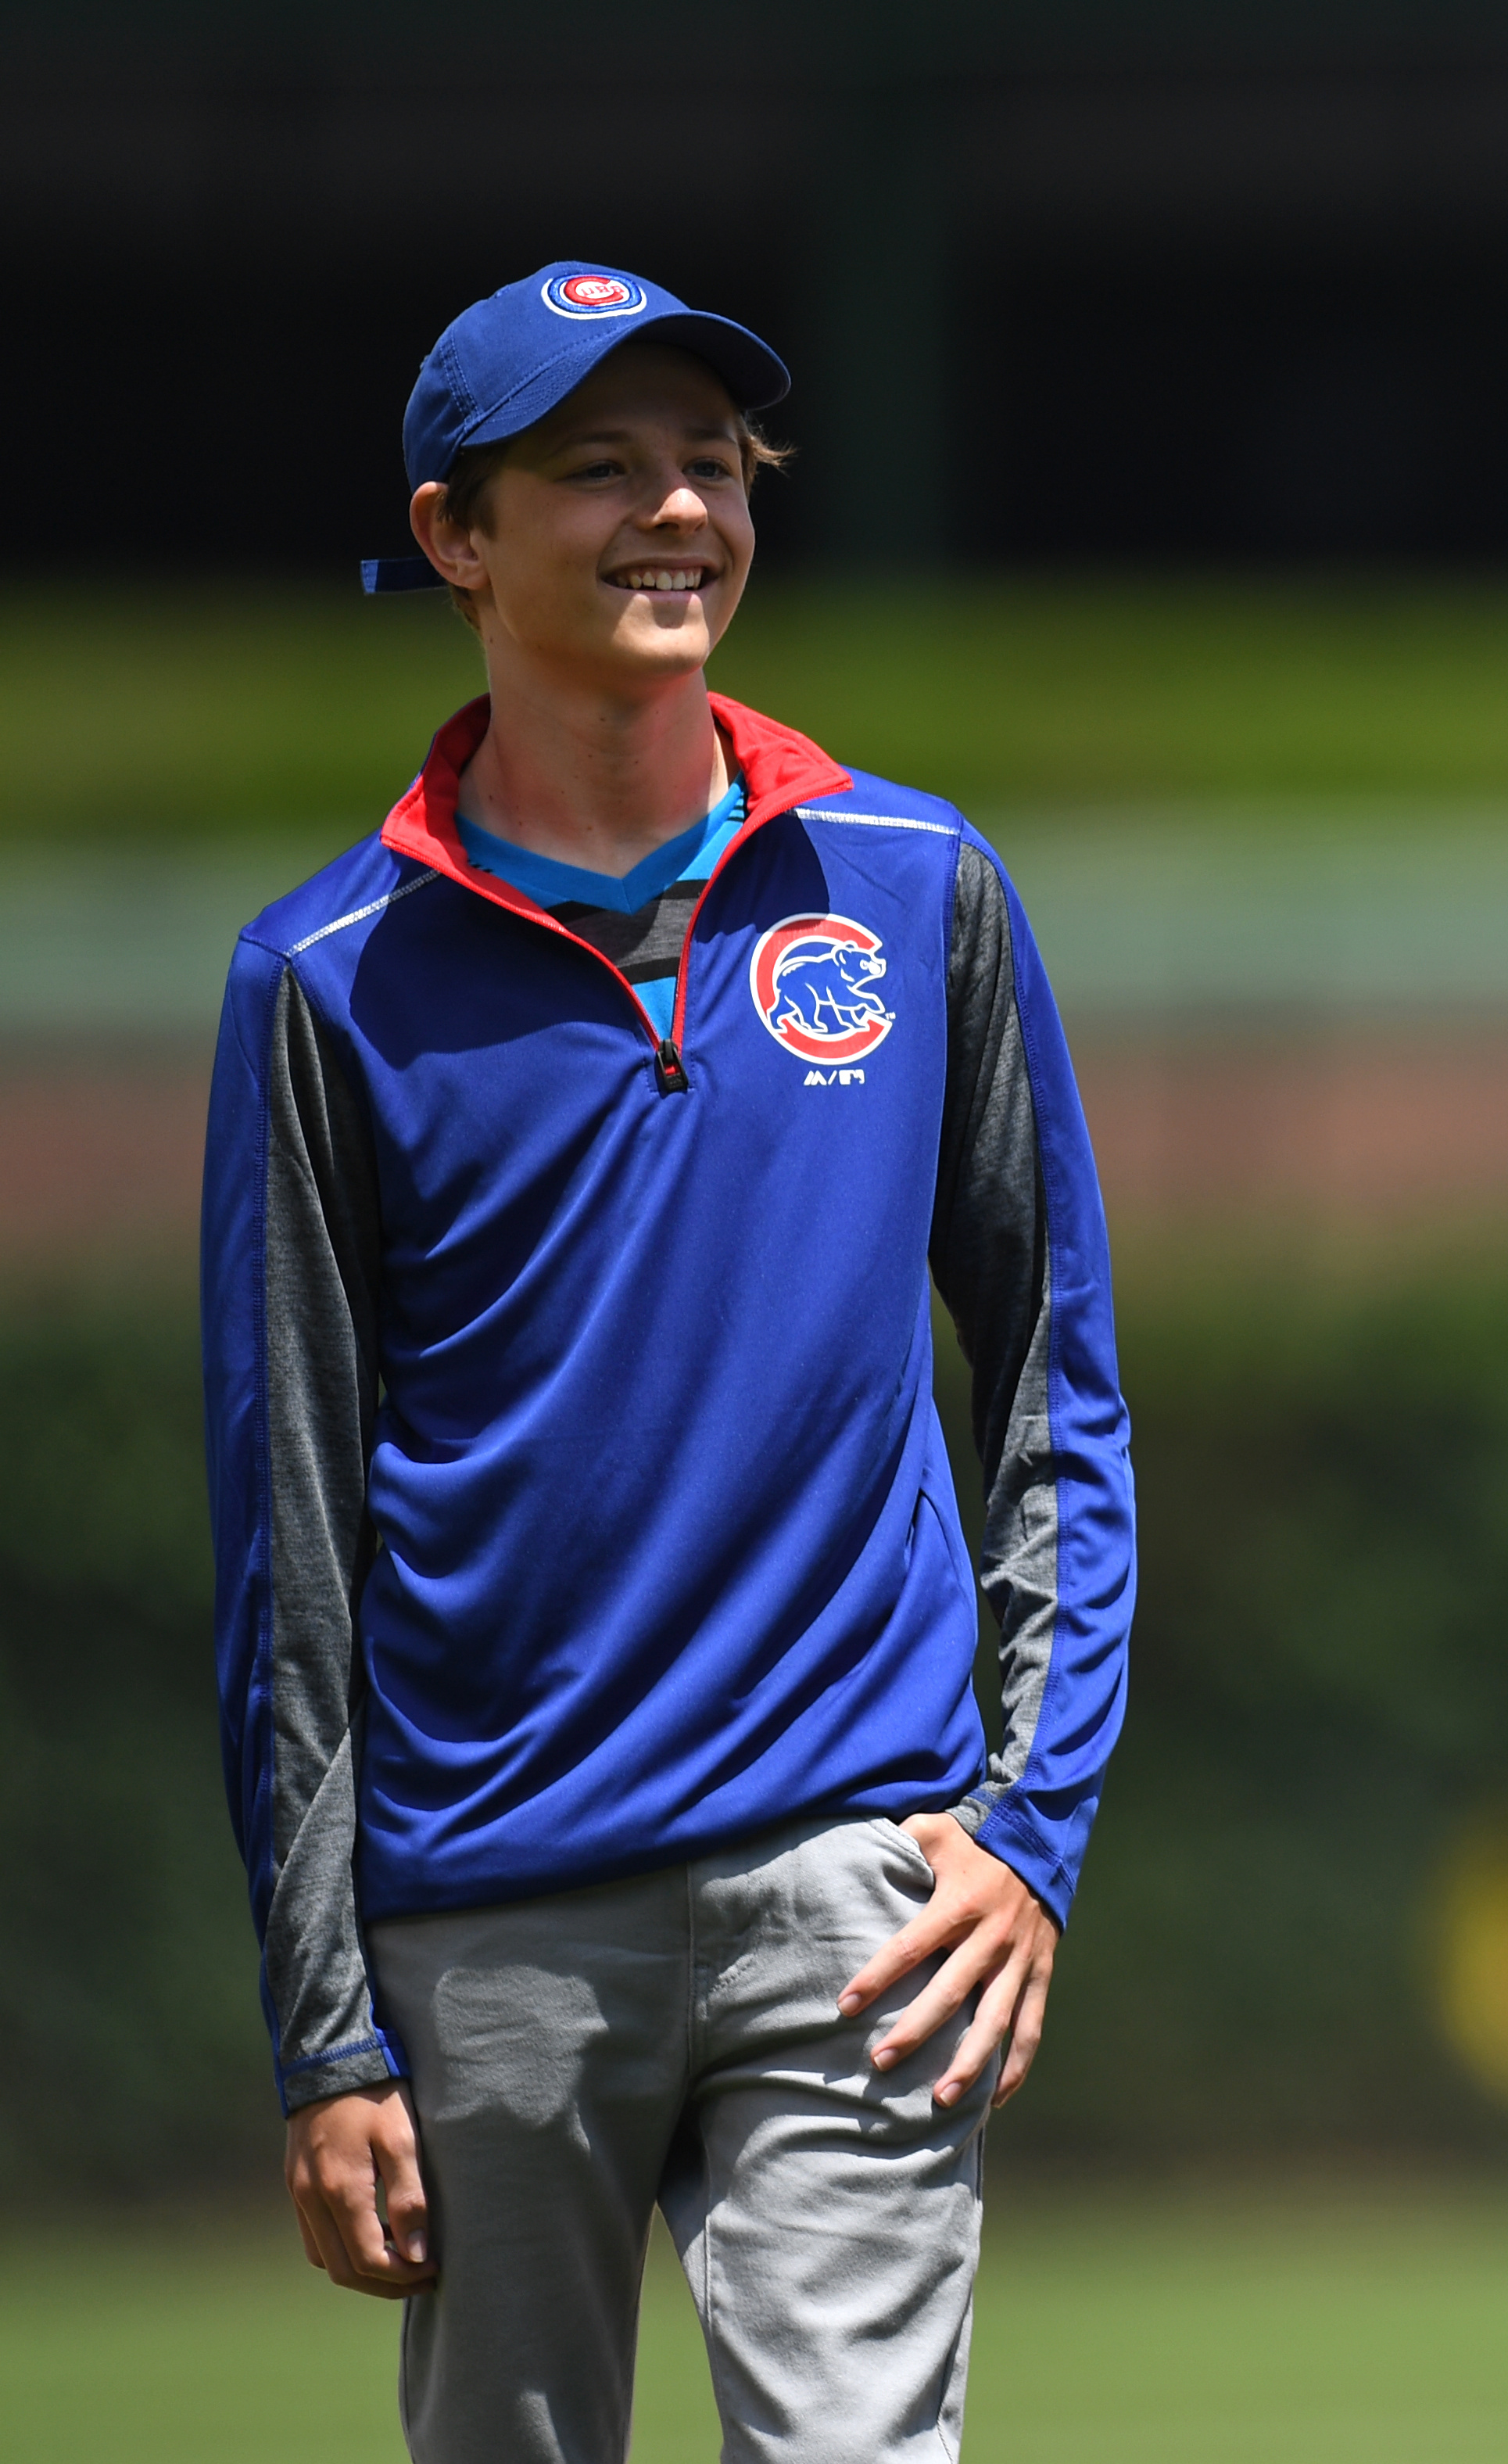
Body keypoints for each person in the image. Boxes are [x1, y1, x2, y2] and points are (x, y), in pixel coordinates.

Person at [202, 262, 1134, 2463]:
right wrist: (329, 2035)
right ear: (455, 537)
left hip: (859, 1888)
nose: (677, 513)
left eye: (711, 462)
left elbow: (1056, 1393)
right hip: (490, 1918)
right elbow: (291, 1541)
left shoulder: (917, 884)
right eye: (598, 469)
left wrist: (1028, 1825)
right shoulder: (323, 978)